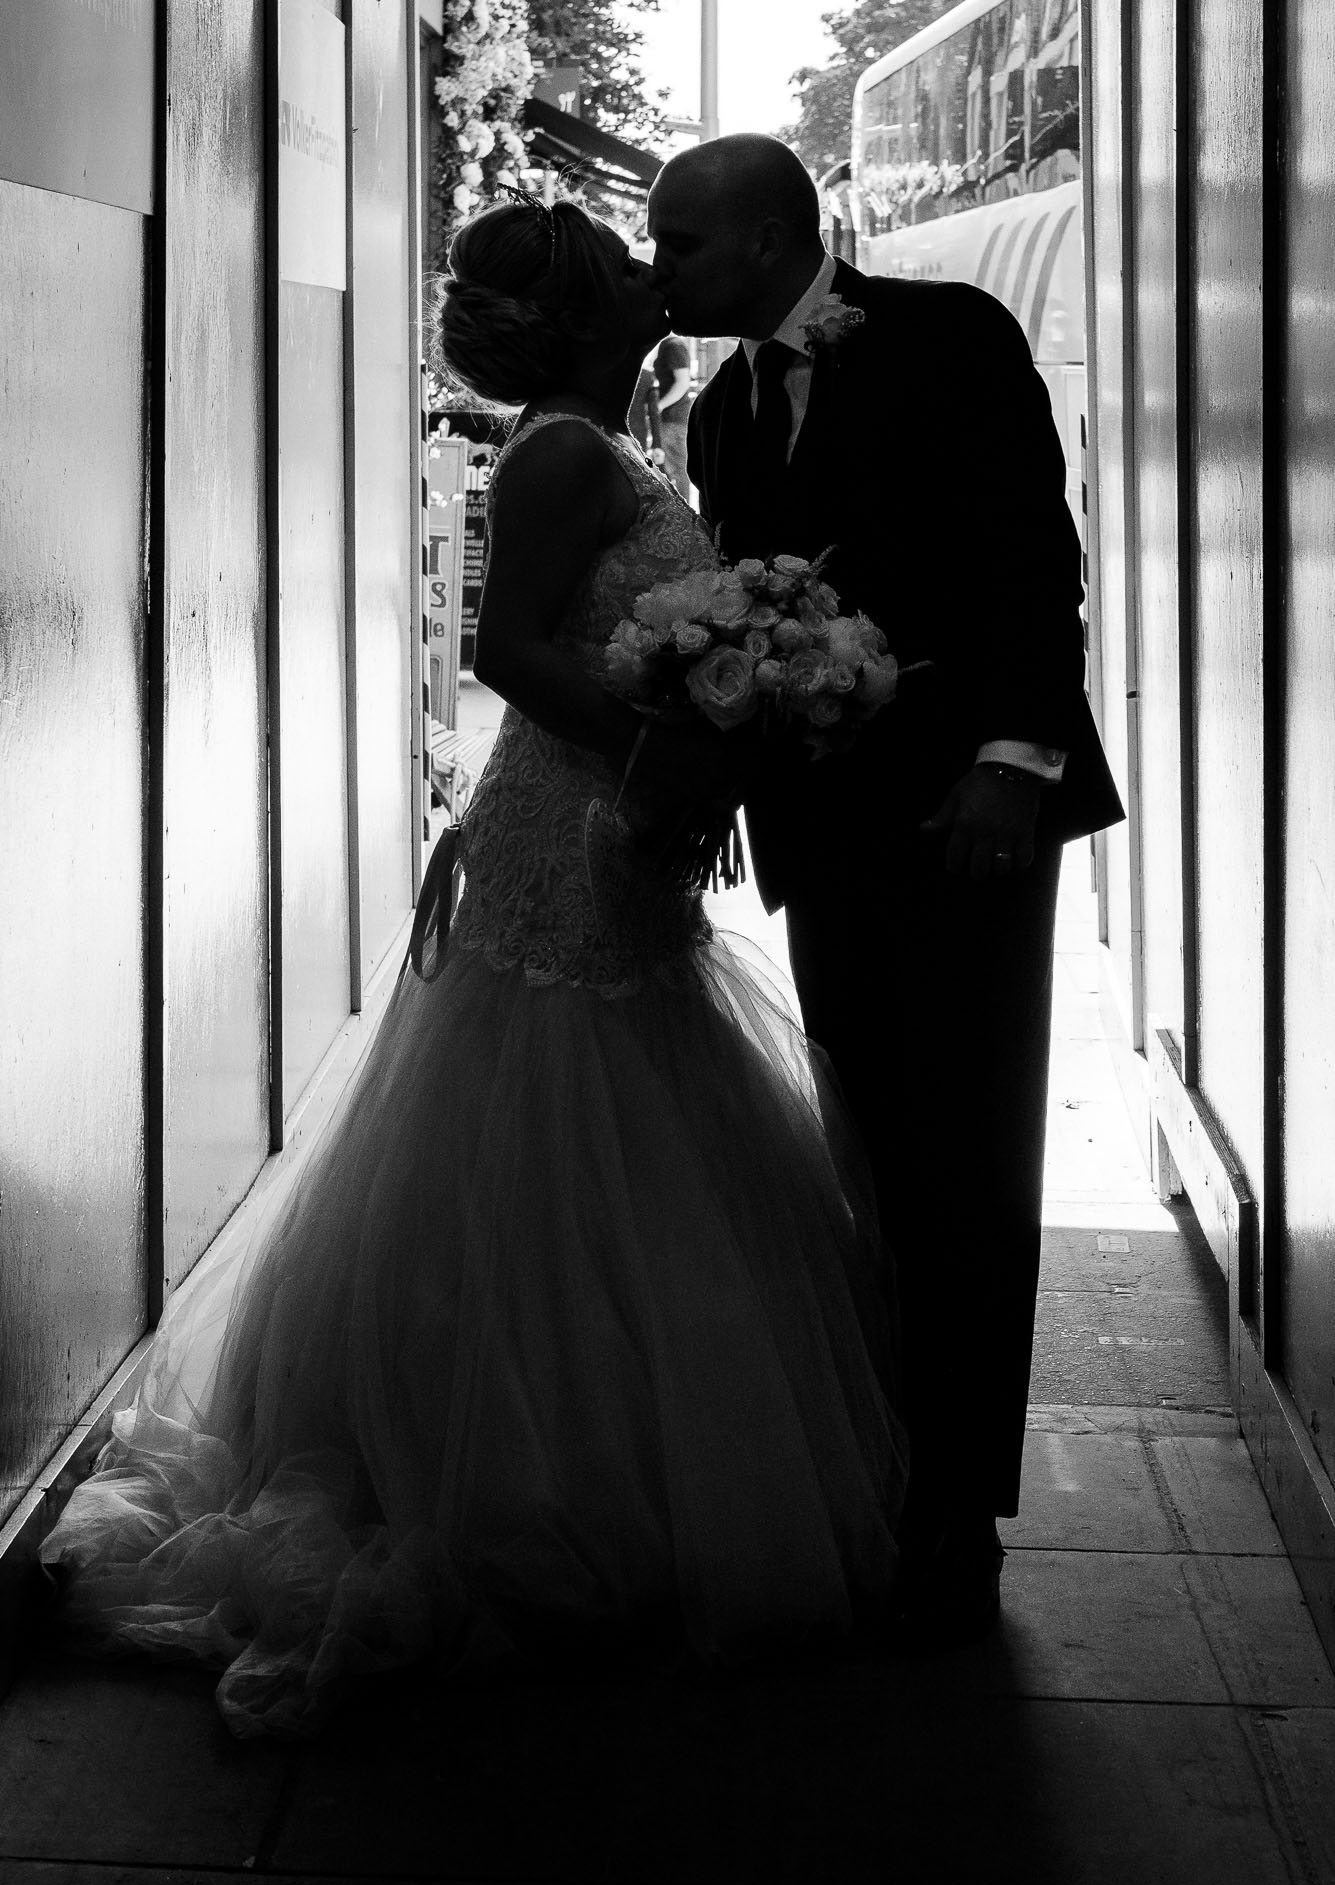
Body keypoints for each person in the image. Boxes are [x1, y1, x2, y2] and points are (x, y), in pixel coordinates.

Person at [38, 197, 908, 1739]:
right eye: (630, 261)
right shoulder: (563, 450)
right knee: (550, 1133)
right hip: (561, 827)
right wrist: (673, 734)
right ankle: (517, 1483)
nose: (658, 273)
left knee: (622, 1130)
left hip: (611, 828)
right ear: (585, 311)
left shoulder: (613, 436)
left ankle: (599, 1464)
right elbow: (506, 650)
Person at [647, 135, 1125, 1644]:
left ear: (770, 237)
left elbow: (1023, 563)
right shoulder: (718, 417)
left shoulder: (945, 337)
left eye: (680, 245)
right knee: (869, 1146)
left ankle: (957, 1499)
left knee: (973, 1153)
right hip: (827, 841)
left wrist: (1010, 759)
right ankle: (890, 1447)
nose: (660, 274)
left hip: (970, 817)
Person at [653, 330, 693, 499]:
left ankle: (684, 516)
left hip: (674, 418)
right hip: (673, 418)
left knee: (677, 470)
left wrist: (659, 406)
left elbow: (683, 382)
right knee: (674, 469)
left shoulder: (674, 346)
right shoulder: (669, 345)